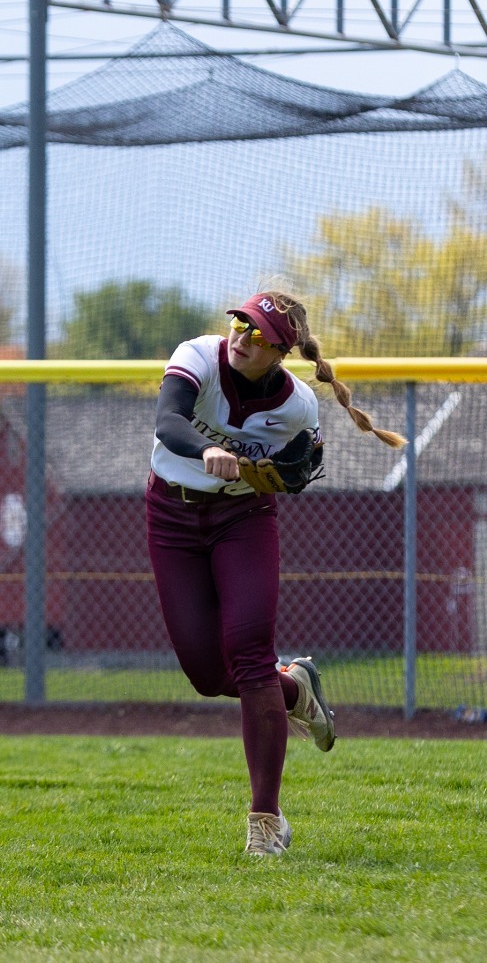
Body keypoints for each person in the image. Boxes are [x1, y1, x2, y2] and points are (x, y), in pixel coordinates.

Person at [148, 290, 404, 855]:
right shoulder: (198, 355)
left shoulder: (298, 406)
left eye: (260, 335)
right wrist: (206, 449)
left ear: (282, 353)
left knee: (248, 653)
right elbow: (168, 421)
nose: (243, 338)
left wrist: (281, 472)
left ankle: (265, 822)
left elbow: (297, 470)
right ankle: (296, 687)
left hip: (244, 518)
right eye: (241, 323)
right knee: (208, 675)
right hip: (172, 514)